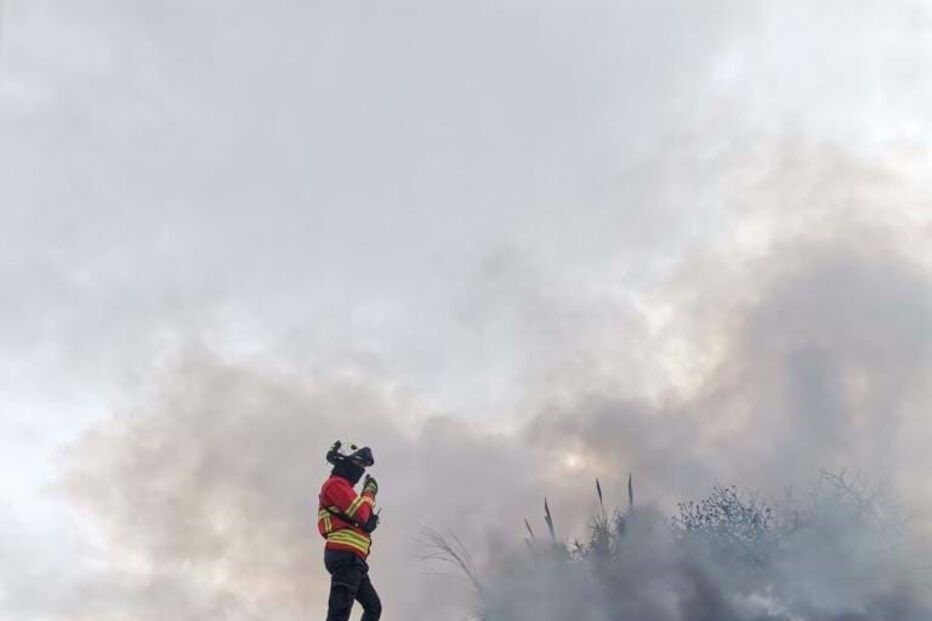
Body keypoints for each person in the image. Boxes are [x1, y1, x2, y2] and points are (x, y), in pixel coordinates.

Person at [317, 441, 381, 621]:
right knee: (340, 612)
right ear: (345, 463)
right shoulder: (335, 485)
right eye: (358, 464)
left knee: (373, 607)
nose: (360, 470)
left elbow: (362, 516)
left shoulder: (344, 488)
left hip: (355, 559)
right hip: (345, 555)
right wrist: (369, 493)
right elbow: (362, 514)